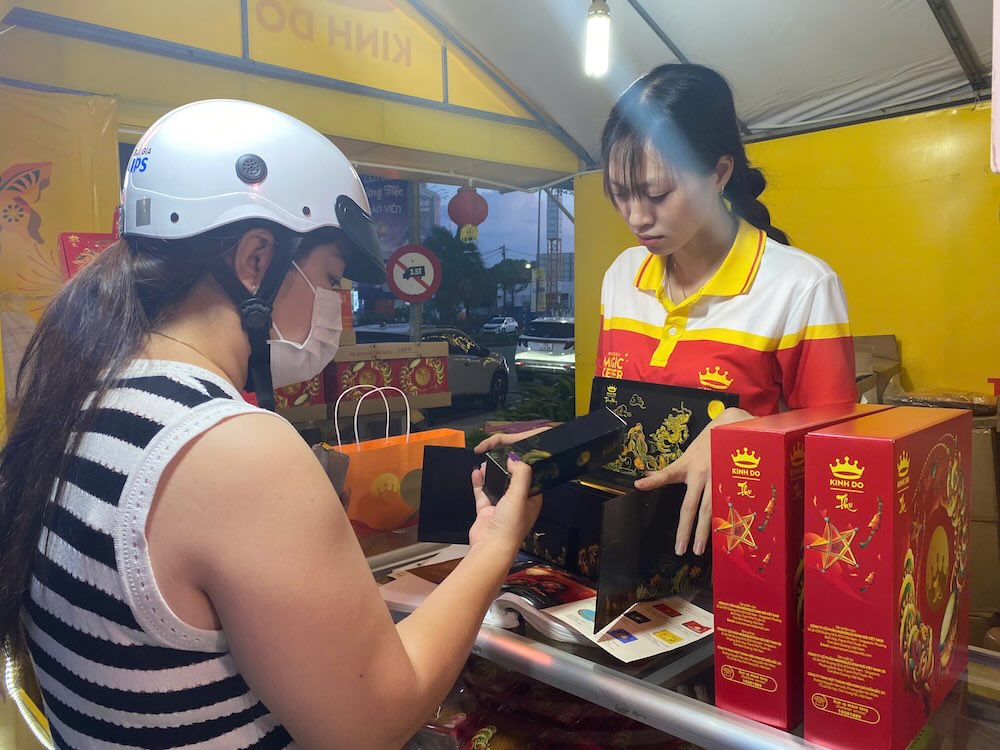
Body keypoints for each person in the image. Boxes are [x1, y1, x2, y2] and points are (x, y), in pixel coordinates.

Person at [0, 100, 540, 750]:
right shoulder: (226, 445)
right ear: (256, 258)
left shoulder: (81, 396)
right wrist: (492, 550)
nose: (335, 306)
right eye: (330, 277)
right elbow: (370, 723)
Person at [481, 64, 855, 557]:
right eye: (619, 193)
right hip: (627, 546)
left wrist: (745, 434)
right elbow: (619, 422)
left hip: (741, 549)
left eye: (657, 193)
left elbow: (841, 464)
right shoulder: (623, 276)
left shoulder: (801, 287)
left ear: (719, 173)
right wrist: (566, 440)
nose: (637, 217)